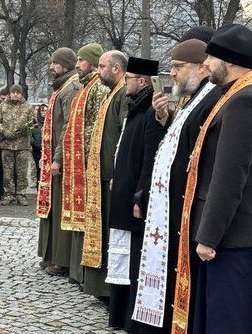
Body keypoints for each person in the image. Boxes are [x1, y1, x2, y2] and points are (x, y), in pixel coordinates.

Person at [169, 24, 252, 334]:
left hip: (231, 237)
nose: (207, 64)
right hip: (227, 235)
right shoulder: (235, 94)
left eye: (211, 57)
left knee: (228, 321)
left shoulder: (246, 101)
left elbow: (229, 177)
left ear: (227, 61)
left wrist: (209, 236)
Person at [132, 37, 221, 334]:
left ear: (201, 67)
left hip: (185, 206)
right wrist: (164, 117)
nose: (172, 73)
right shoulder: (192, 98)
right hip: (169, 205)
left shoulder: (211, 98)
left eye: (178, 67)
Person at [106, 57, 165, 332]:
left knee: (133, 260)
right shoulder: (134, 108)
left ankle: (131, 315)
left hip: (133, 198)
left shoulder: (151, 112)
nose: (125, 82)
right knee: (122, 256)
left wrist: (140, 195)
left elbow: (150, 159)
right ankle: (118, 314)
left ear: (142, 81)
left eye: (129, 77)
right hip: (122, 190)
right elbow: (124, 149)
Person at [61, 43, 110, 284]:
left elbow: (96, 124)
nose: (77, 64)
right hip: (78, 159)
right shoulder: (84, 86)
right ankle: (77, 271)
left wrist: (87, 155)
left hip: (88, 159)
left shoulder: (98, 87)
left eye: (81, 60)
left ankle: (84, 273)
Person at [82, 50, 129, 299]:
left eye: (101, 66)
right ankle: (98, 286)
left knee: (110, 234)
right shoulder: (112, 93)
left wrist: (117, 173)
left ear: (116, 68)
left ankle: (108, 288)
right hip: (100, 174)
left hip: (110, 175)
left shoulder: (122, 94)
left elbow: (123, 136)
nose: (98, 71)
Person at [35, 48, 79, 276]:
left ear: (65, 64)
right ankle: (49, 254)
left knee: (61, 208)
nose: (51, 67)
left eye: (55, 63)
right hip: (52, 158)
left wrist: (58, 158)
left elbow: (68, 127)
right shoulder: (62, 86)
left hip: (61, 161)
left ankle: (60, 259)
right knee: (51, 207)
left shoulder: (71, 88)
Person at [0, 85, 36, 207]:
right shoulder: (2, 106)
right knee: (7, 172)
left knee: (22, 172)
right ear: (10, 94)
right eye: (13, 92)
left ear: (21, 94)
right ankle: (8, 195)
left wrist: (24, 129)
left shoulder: (27, 107)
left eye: (18, 92)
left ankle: (21, 195)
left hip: (22, 145)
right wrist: (4, 131)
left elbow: (33, 122)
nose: (16, 94)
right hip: (7, 144)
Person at [29, 104, 46, 185]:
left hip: (48, 149)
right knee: (39, 168)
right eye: (42, 111)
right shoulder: (34, 122)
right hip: (37, 149)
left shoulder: (50, 122)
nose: (44, 113)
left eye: (46, 110)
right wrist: (33, 142)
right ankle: (38, 186)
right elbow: (29, 134)